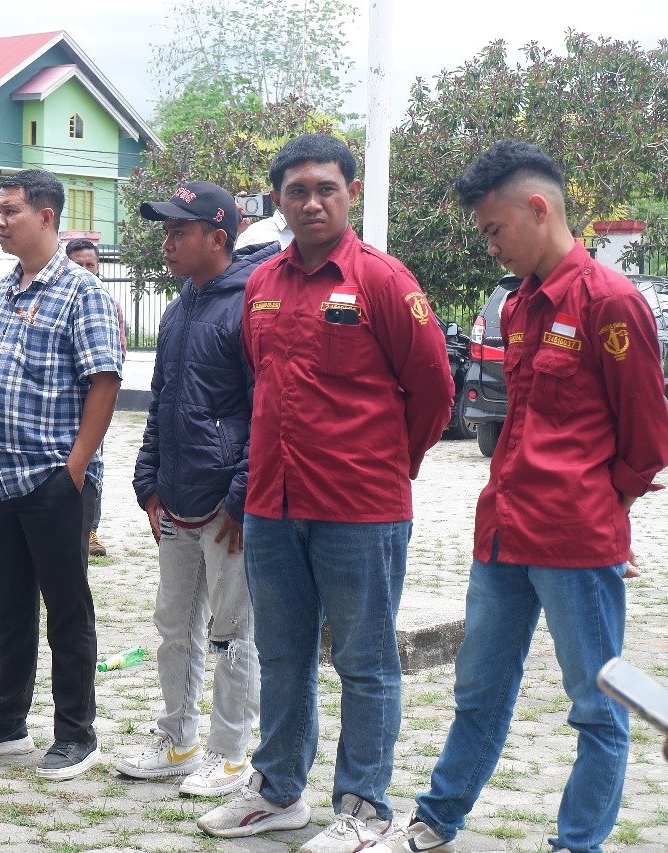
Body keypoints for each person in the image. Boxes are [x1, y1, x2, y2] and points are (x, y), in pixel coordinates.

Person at [368, 141, 668, 853]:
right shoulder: (521, 304)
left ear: (538, 209)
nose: (491, 245)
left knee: (598, 704)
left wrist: (603, 512)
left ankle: (577, 843)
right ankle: (437, 818)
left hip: (574, 543)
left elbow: (648, 438)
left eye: (494, 229)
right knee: (478, 689)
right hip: (502, 533)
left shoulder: (610, 303)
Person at [198, 134, 454, 851]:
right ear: (278, 200)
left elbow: (434, 389)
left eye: (326, 189)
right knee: (282, 655)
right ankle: (278, 791)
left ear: (350, 193)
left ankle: (364, 807)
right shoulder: (261, 284)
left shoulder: (384, 280)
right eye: (297, 191)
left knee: (364, 662)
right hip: (273, 506)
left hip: (361, 509)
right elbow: (260, 384)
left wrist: (389, 464)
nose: (312, 202)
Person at [0, 169, 122, 780]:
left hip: (51, 481)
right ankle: (5, 721)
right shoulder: (4, 289)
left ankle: (76, 733)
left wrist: (75, 469)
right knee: (8, 608)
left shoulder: (81, 292)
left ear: (47, 217)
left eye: (11, 210)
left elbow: (104, 382)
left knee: (67, 610)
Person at [120, 181, 278, 797]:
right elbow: (162, 400)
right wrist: (148, 481)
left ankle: (231, 753)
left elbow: (266, 409)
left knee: (234, 633)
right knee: (173, 625)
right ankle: (177, 740)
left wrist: (242, 496)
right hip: (176, 498)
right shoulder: (178, 309)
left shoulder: (249, 307)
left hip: (226, 505)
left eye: (179, 231)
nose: (167, 242)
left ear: (217, 238)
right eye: (166, 230)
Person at [64, 237, 125, 558]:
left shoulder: (106, 304)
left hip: (94, 401)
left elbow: (117, 357)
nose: (87, 270)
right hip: (63, 404)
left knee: (92, 462)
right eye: (79, 265)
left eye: (91, 265)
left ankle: (90, 530)